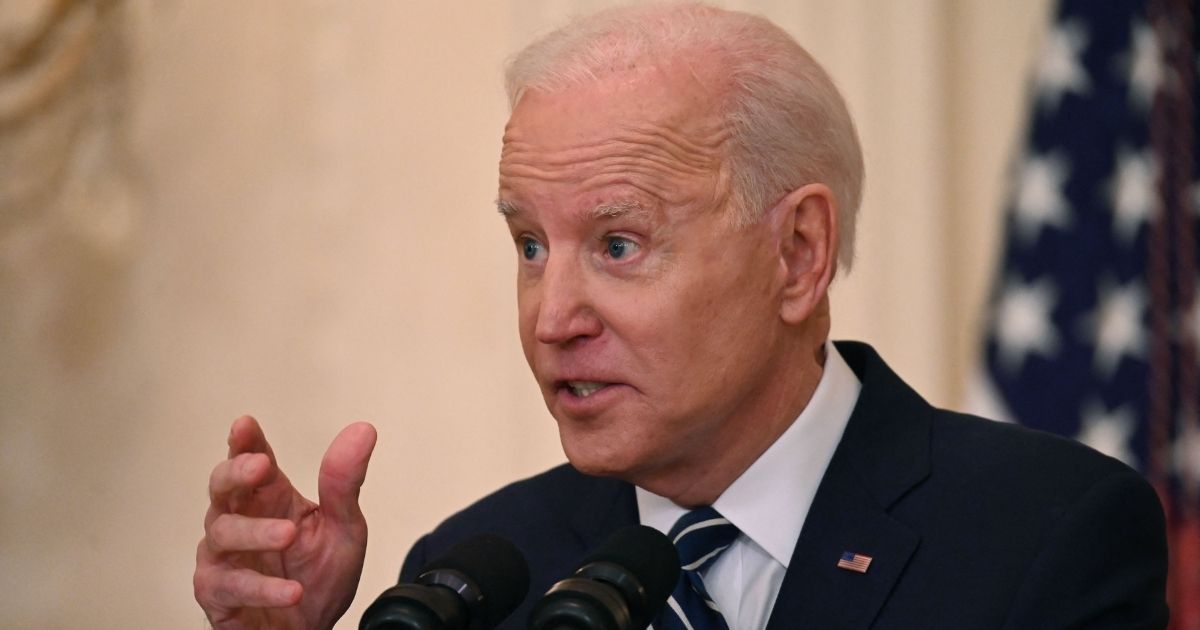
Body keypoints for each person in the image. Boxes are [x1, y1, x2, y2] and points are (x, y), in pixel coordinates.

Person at [193, 4, 1169, 629]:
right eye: (530, 245)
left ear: (798, 256)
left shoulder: (1045, 536)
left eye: (619, 244)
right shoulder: (475, 575)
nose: (552, 316)